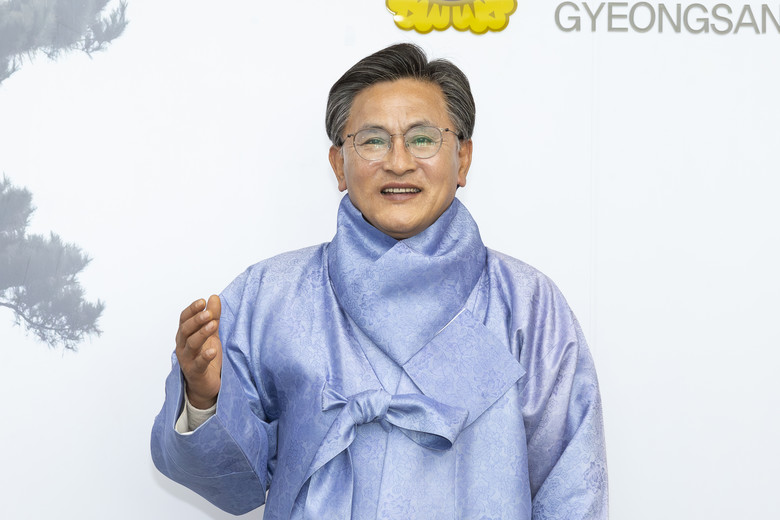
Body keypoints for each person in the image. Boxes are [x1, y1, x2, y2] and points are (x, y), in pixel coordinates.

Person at [151, 43, 608, 519]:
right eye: (373, 141)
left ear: (463, 158)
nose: (399, 162)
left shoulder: (528, 305)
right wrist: (203, 396)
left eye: (423, 139)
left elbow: (572, 489)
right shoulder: (270, 296)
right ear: (338, 164)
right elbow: (234, 487)